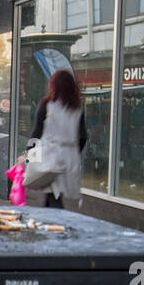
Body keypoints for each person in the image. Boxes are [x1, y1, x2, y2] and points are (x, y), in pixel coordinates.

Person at [29, 69, 88, 210]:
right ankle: (50, 226)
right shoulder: (77, 108)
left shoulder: (47, 105)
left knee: (54, 196)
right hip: (70, 157)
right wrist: (73, 152)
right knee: (54, 195)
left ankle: (58, 227)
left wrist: (29, 157)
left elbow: (36, 133)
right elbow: (83, 137)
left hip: (50, 156)